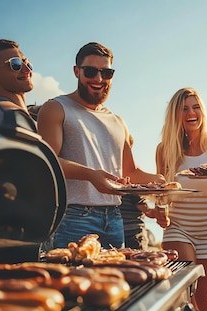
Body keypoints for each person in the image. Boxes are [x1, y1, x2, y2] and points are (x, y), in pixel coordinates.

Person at [37, 42, 165, 250]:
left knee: (115, 281)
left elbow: (129, 172)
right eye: (90, 71)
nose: (98, 79)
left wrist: (161, 182)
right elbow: (46, 162)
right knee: (74, 282)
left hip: (115, 217)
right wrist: (90, 175)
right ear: (76, 71)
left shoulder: (117, 121)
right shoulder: (56, 108)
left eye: (106, 72)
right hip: (74, 217)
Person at [155, 87, 207, 311]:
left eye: (196, 107)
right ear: (175, 115)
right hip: (178, 227)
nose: (192, 113)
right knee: (186, 294)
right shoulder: (164, 150)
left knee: (204, 299)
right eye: (185, 108)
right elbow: (163, 193)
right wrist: (159, 211)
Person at [0, 39, 36, 131]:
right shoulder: (10, 117)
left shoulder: (20, 115)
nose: (27, 70)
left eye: (27, 63)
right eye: (15, 64)